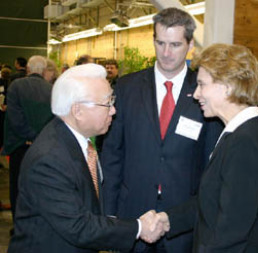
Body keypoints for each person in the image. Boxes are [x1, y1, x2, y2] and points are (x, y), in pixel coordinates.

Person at [8, 63, 168, 253]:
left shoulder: (78, 143)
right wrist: (139, 228)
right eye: (107, 103)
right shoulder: (49, 159)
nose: (113, 111)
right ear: (78, 111)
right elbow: (78, 227)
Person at [100, 7, 223, 252]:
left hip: (182, 219)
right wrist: (109, 214)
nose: (166, 53)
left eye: (175, 45)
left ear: (190, 45)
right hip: (132, 214)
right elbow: (113, 154)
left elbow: (211, 163)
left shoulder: (205, 92)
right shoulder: (127, 87)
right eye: (160, 43)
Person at [159, 43, 258, 252]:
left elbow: (231, 233)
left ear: (227, 86)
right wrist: (168, 219)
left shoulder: (247, 144)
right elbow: (214, 201)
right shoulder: (242, 134)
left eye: (202, 84)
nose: (196, 94)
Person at [2, 55, 54, 223]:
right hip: (44, 147)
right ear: (44, 71)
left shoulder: (16, 86)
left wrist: (29, 136)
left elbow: (14, 118)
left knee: (18, 186)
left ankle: (19, 224)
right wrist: (39, 137)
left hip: (20, 145)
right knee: (41, 186)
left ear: (29, 69)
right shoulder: (52, 89)